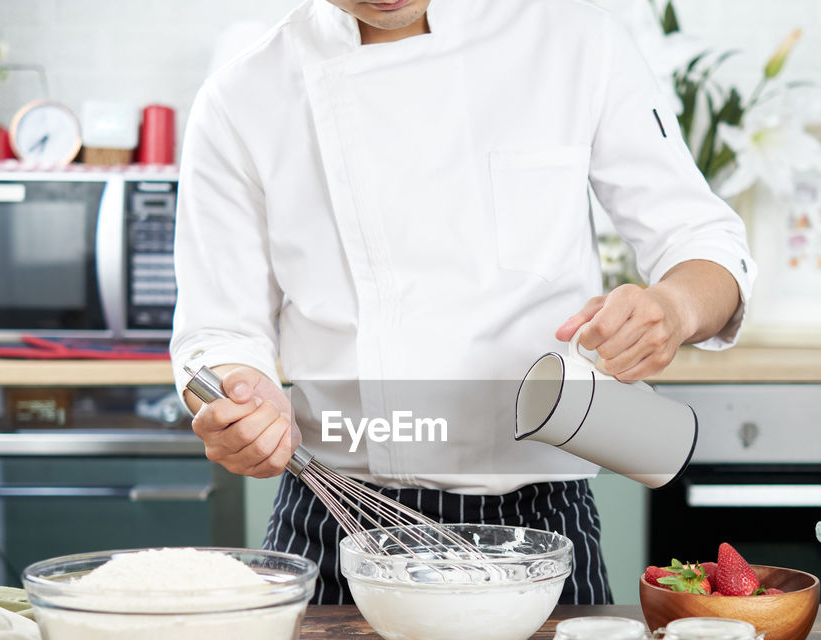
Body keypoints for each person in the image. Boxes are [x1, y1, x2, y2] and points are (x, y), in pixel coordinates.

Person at [171, 0, 756, 605]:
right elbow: (217, 331)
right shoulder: (243, 96)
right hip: (334, 513)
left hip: (541, 521)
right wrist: (241, 400)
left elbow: (702, 239)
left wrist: (675, 306)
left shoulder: (576, 40)